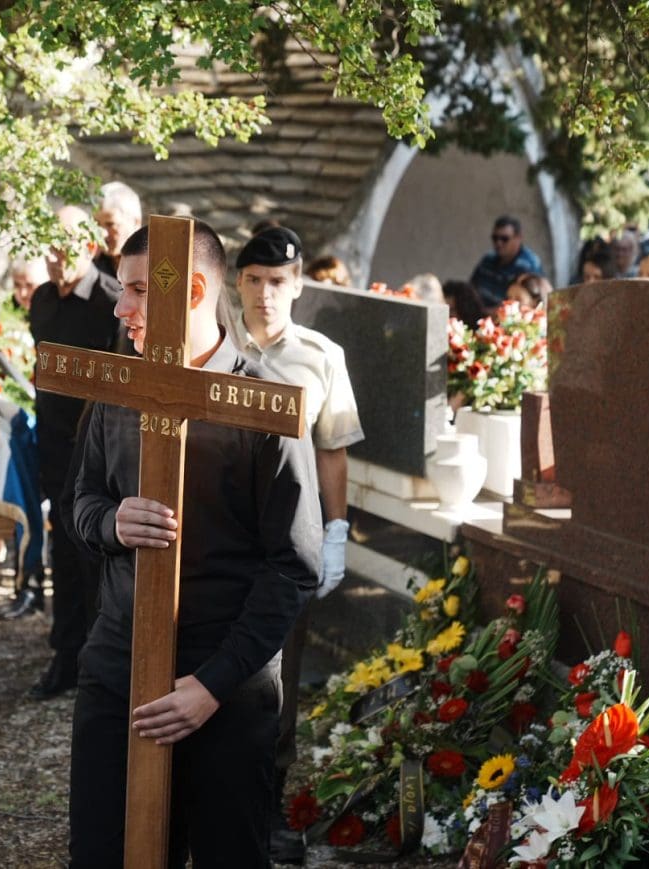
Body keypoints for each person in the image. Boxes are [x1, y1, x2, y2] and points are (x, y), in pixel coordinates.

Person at [68, 221, 321, 868]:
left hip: (224, 683)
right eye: (121, 289)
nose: (120, 308)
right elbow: (83, 501)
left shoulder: (263, 405)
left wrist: (212, 684)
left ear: (193, 291)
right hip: (118, 667)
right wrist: (112, 522)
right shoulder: (118, 389)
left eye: (136, 291)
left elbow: (293, 565)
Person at [228, 226, 364, 865]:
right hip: (219, 533)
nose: (265, 294)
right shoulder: (214, 343)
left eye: (277, 282)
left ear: (298, 285)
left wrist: (335, 531)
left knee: (276, 683)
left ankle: (268, 810)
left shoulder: (321, 355)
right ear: (237, 284)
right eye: (254, 280)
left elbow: (332, 450)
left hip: (287, 542)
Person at [18, 205, 123, 693]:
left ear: (90, 246)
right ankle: (66, 656)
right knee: (61, 553)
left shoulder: (111, 302)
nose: (55, 257)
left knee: (96, 560)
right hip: (55, 448)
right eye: (49, 248)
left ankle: (101, 663)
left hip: (98, 454)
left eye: (65, 248)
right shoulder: (42, 299)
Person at [470, 216, 542, 307]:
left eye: (504, 239)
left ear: (518, 238)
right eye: (495, 238)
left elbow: (536, 300)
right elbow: (471, 287)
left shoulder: (529, 265)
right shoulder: (487, 259)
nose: (498, 243)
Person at [92, 181, 142, 276]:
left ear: (136, 223)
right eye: (96, 224)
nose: (103, 233)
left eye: (110, 224)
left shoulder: (153, 266)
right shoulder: (92, 264)